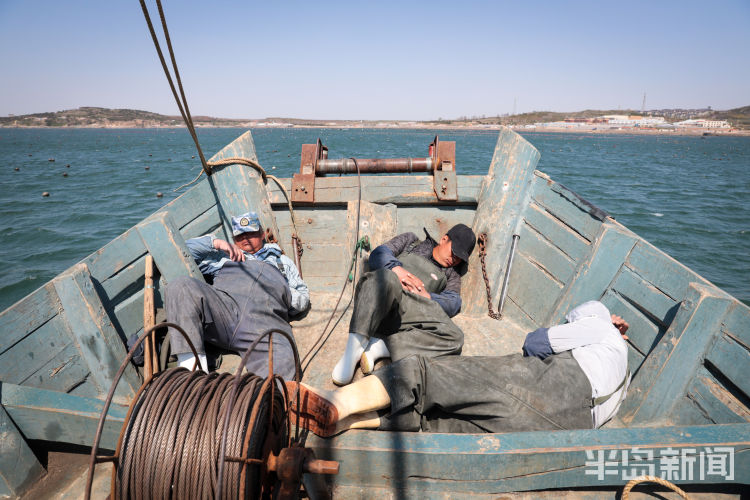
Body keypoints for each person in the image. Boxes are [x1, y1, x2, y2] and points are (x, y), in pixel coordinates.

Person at [292, 301, 630, 436]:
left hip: (554, 390)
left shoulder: (601, 327)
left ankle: (339, 405)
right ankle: (352, 424)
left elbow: (535, 343)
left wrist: (597, 324)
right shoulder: (622, 368)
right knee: (441, 423)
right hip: (571, 429)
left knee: (432, 376)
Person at [166, 212, 310, 380]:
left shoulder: (282, 261)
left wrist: (285, 295)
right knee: (180, 286)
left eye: (251, 233)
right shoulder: (222, 258)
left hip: (264, 321)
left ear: (262, 234)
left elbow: (303, 297)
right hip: (225, 311)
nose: (246, 238)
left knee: (283, 364)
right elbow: (179, 252)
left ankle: (264, 403)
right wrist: (217, 243)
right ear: (234, 240)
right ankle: (191, 377)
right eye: (240, 235)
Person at [332, 224, 477, 385]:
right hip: (377, 303)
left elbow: (454, 302)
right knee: (384, 278)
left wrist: (428, 296)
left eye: (459, 258)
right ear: (444, 239)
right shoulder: (411, 242)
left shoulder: (451, 274)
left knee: (455, 338)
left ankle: (380, 347)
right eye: (454, 252)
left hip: (408, 318)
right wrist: (396, 270)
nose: (454, 259)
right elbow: (379, 253)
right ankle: (353, 351)